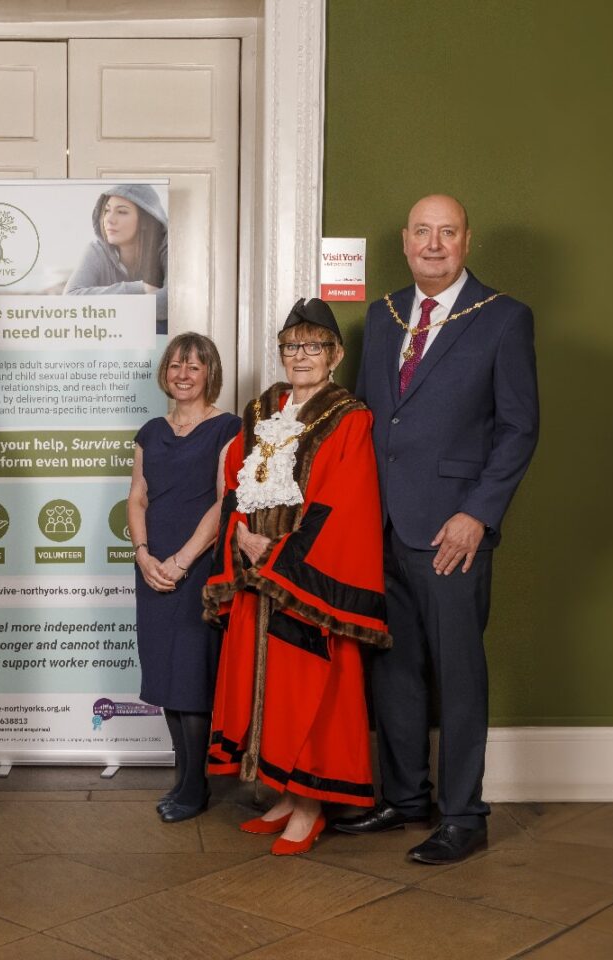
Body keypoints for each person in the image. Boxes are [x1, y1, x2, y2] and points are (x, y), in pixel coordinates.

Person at [335, 194, 539, 864]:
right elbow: (368, 421)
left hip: (453, 530)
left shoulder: (504, 318)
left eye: (446, 233)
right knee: (393, 670)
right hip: (383, 525)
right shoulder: (385, 316)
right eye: (423, 232)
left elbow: (517, 428)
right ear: (404, 241)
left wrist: (477, 513)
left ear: (466, 242)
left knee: (458, 674)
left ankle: (463, 814)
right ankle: (405, 798)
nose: (433, 243)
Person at [204, 298, 390, 855]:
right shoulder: (263, 409)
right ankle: (283, 793)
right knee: (264, 682)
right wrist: (238, 533)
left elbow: (343, 502)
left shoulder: (350, 417)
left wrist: (280, 555)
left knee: (307, 686)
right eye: (291, 346)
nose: (301, 356)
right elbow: (239, 479)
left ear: (335, 354)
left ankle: (310, 807)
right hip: (254, 573)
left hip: (303, 578)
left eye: (313, 346)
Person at [128, 333, 240, 823]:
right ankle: (183, 777)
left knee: (192, 678)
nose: (183, 375)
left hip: (197, 568)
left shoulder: (229, 429)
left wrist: (181, 560)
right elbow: (137, 497)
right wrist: (143, 554)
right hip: (153, 567)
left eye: (194, 367)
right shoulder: (150, 431)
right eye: (175, 366)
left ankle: (197, 786)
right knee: (166, 677)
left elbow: (224, 501)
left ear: (209, 373)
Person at [65, 184, 168, 333]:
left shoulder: (167, 247)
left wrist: (108, 309)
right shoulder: (97, 250)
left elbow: (171, 302)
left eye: (122, 212)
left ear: (145, 220)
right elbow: (70, 300)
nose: (109, 219)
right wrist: (139, 288)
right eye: (107, 210)